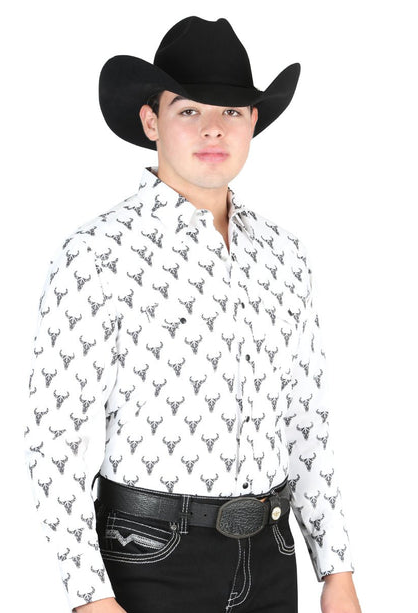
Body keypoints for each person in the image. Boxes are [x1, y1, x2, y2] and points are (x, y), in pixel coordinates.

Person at [24, 16, 361, 613]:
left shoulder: (284, 256)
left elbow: (306, 418)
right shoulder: (100, 254)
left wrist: (336, 569)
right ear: (151, 121)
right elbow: (56, 436)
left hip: (272, 551)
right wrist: (90, 597)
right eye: (188, 110)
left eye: (230, 111)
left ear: (253, 121)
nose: (212, 128)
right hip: (151, 558)